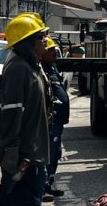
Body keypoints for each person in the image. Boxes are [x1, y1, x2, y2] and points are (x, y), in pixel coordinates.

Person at [0, 13, 52, 206]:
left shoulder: (32, 67)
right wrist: (15, 155)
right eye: (41, 36)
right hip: (24, 158)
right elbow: (10, 114)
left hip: (33, 156)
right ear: (28, 42)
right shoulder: (18, 68)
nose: (46, 40)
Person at [40, 38, 69, 202]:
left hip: (58, 121)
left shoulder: (52, 68)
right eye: (50, 50)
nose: (54, 53)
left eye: (54, 50)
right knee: (48, 154)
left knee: (56, 153)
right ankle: (42, 188)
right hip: (50, 121)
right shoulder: (41, 70)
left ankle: (49, 184)